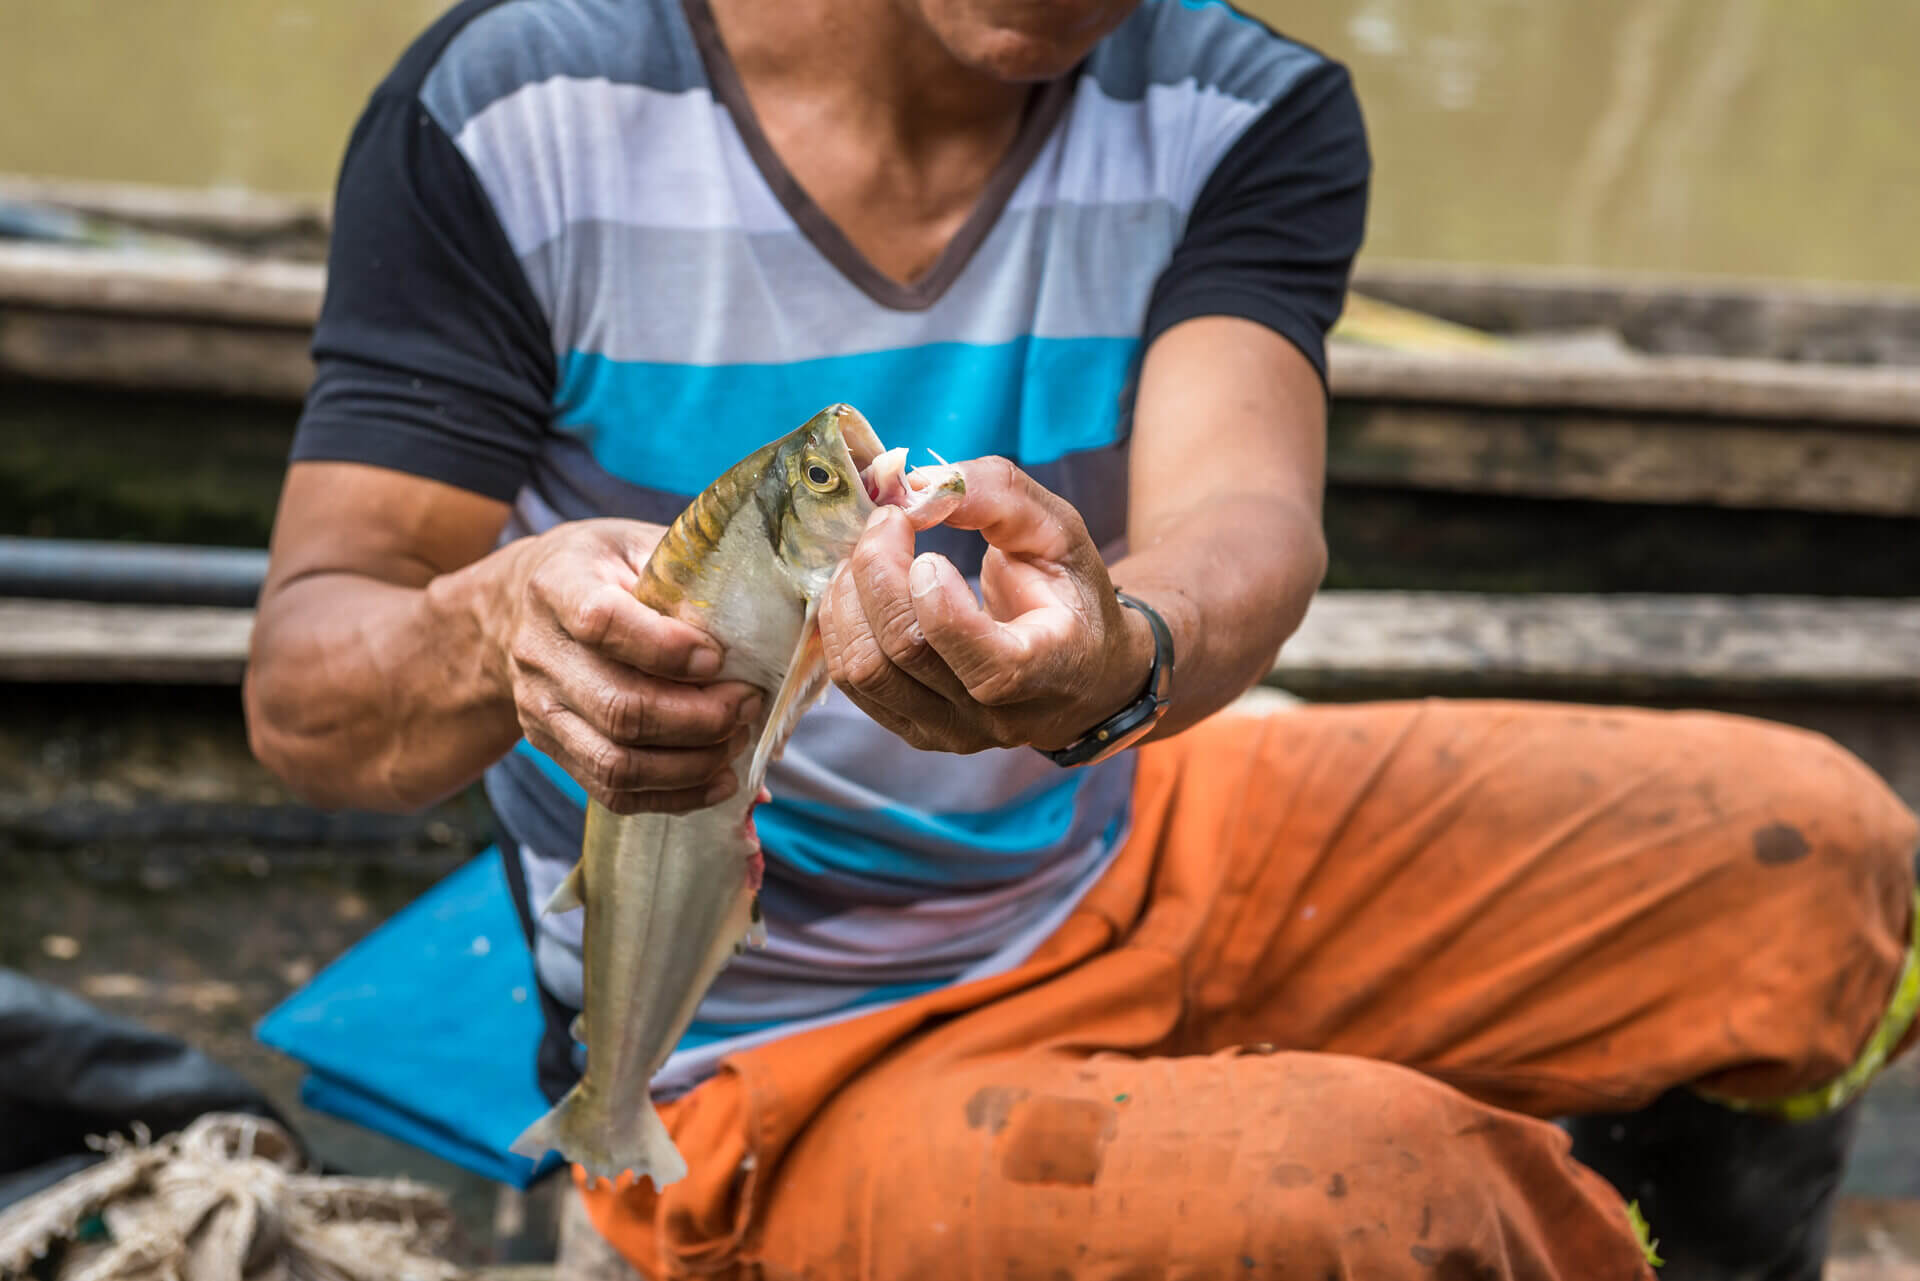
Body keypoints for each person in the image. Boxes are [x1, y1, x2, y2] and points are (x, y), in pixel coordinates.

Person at [242, 0, 1920, 1275]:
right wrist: (495, 624)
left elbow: (1244, 521)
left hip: (1112, 839)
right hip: (759, 1041)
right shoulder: (513, 108)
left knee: (1822, 860)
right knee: (1399, 1203)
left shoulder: (1237, 104)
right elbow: (311, 699)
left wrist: (1118, 654)